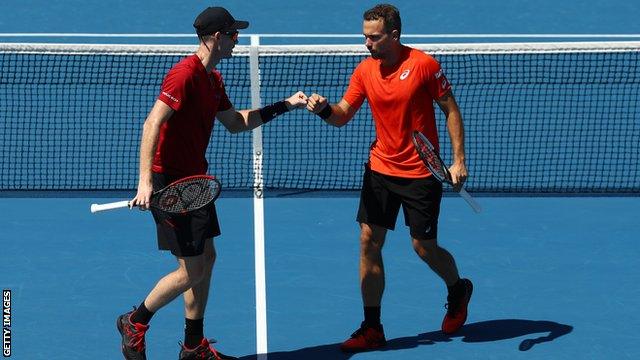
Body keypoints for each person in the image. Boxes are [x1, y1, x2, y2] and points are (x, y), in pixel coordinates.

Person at [116, 6, 308, 360]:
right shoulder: (184, 75)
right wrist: (145, 183)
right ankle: (135, 321)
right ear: (217, 38)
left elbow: (236, 122)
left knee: (207, 257)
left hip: (195, 181)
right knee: (192, 269)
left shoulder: (213, 80)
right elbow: (151, 124)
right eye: (233, 35)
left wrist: (286, 105)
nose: (237, 41)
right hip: (169, 183)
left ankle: (193, 346)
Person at [306, 3, 473, 353]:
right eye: (365, 36)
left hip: (420, 174)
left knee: (423, 248)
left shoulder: (424, 66)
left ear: (394, 35)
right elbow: (342, 115)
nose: (367, 43)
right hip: (380, 169)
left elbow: (451, 109)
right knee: (369, 241)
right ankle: (372, 327)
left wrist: (458, 161)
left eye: (374, 37)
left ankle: (458, 288)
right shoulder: (365, 71)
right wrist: (323, 109)